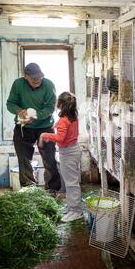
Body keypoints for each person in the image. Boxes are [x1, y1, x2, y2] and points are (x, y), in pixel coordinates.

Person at [6, 62, 63, 194]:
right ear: (25, 76)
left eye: (39, 78)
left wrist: (36, 116)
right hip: (23, 127)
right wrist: (19, 111)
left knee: (49, 158)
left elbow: (50, 107)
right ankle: (29, 190)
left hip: (45, 127)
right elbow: (10, 103)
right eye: (33, 79)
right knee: (24, 159)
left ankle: (52, 189)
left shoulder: (48, 85)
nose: (37, 80)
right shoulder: (18, 84)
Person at [39, 92, 83, 223]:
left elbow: (60, 138)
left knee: (71, 183)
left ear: (60, 104)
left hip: (68, 153)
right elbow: (65, 128)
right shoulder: (72, 116)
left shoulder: (64, 120)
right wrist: (55, 126)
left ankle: (76, 211)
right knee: (70, 181)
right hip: (73, 149)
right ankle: (71, 207)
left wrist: (44, 135)